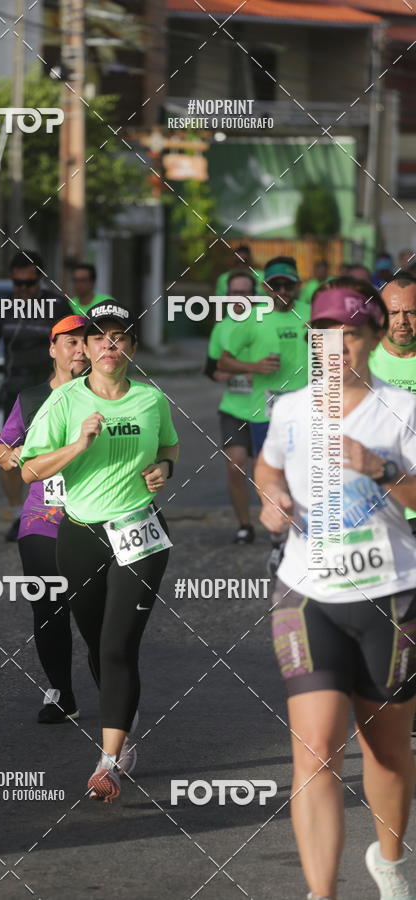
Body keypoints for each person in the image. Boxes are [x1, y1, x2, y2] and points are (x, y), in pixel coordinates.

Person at [255, 279, 416, 900]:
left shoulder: (401, 407)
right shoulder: (291, 408)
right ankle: (321, 894)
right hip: (308, 595)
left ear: (373, 339)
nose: (338, 345)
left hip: (391, 596)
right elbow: (269, 465)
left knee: (387, 752)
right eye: (326, 333)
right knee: (317, 750)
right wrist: (271, 498)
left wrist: (381, 468)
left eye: (352, 333)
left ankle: (392, 863)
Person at [19, 301, 179, 802]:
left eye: (120, 337)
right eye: (100, 338)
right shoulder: (64, 402)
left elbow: (169, 448)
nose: (111, 346)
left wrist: (165, 470)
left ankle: (110, 759)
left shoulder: (152, 401)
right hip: (80, 535)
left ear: (131, 346)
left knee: (117, 646)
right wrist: (78, 447)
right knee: (96, 644)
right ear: (85, 348)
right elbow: (29, 469)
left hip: (139, 532)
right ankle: (123, 722)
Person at [0, 315, 88, 723]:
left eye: (87, 342)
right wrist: (11, 456)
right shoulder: (31, 399)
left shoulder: (106, 396)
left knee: (93, 609)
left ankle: (114, 689)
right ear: (53, 349)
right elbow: (2, 446)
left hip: (95, 518)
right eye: (71, 343)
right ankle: (61, 691)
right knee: (49, 606)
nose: (80, 350)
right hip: (42, 517)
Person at [216, 257, 309, 559]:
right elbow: (224, 361)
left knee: (306, 473)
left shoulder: (312, 315)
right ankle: (277, 533)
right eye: (275, 284)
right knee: (270, 474)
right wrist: (254, 365)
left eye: (288, 284)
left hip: (309, 408)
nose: (282, 289)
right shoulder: (253, 318)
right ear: (266, 288)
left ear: (298, 286)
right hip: (265, 410)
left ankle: (302, 531)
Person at [0, 250, 70, 542]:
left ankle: (59, 512)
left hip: (52, 392)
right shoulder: (2, 308)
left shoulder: (58, 306)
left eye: (29, 285)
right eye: (17, 285)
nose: (23, 291)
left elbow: (74, 345)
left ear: (40, 281)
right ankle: (18, 512)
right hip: (14, 392)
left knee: (54, 451)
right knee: (7, 455)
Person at [204, 269, 260, 543]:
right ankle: (244, 525)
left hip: (268, 408)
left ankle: (279, 526)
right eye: (234, 293)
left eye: (245, 292)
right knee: (235, 466)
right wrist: (224, 375)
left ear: (255, 295)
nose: (240, 298)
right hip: (234, 408)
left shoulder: (266, 323)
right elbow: (210, 369)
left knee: (266, 472)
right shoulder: (222, 327)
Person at [371, 272, 416, 535]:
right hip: (378, 503)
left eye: (411, 312)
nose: (402, 321)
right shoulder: (361, 358)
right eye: (394, 312)